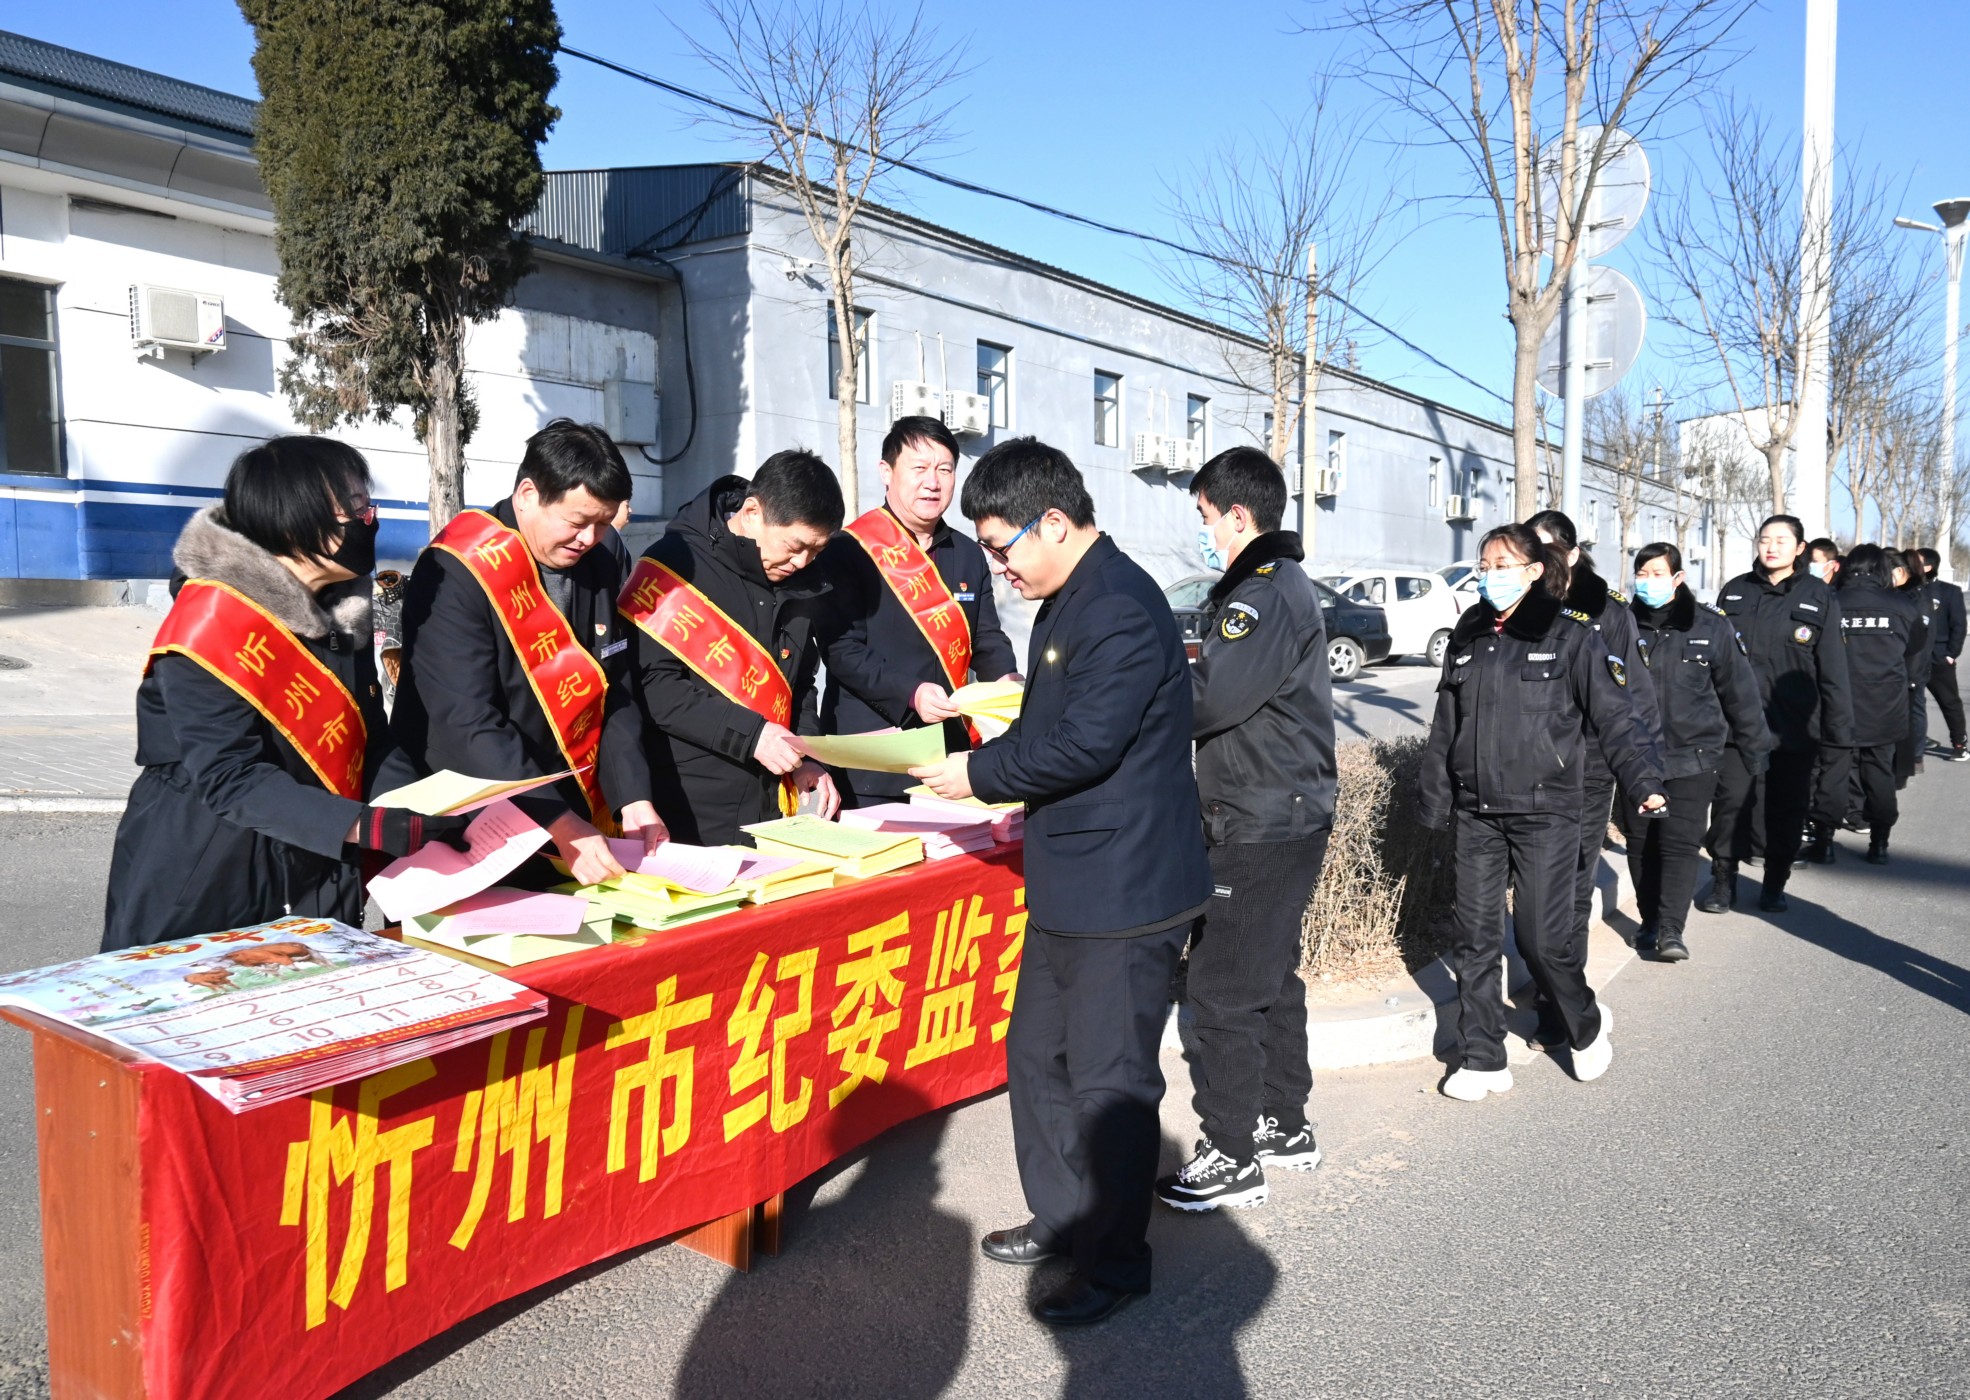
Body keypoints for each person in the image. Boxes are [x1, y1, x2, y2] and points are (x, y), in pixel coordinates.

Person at [908, 436, 1210, 1327]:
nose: (998, 568)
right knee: (1037, 1055)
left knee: (1110, 1084)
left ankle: (1114, 1264)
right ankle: (1065, 1216)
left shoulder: (1115, 606)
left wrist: (978, 774)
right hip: (1072, 880)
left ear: (1052, 522)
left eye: (1002, 547)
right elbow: (1054, 729)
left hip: (1124, 889)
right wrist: (1005, 774)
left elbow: (1086, 743)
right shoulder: (1069, 598)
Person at [104, 437, 456, 950]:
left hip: (317, 858)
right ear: (293, 518)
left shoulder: (341, 613)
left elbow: (369, 740)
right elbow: (230, 777)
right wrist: (365, 826)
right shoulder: (211, 623)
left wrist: (419, 805)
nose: (370, 519)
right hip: (207, 868)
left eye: (367, 503)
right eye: (355, 506)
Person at [1416, 524, 1666, 1102]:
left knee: (1542, 939)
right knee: (1475, 938)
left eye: (1503, 565)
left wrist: (1644, 780)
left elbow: (1617, 716)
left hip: (1547, 811)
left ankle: (1585, 1024)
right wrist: (1434, 800)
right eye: (1484, 565)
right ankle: (1483, 1057)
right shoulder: (1469, 635)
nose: (1490, 575)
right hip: (1478, 813)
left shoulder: (1571, 635)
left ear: (1533, 571)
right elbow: (1446, 726)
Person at [1154, 447, 1334, 1213]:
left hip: (1258, 820)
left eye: (1205, 517)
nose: (1203, 532)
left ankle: (1231, 1154)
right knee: (1269, 977)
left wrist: (1135, 694)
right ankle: (1283, 1123)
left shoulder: (1259, 594)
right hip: (1282, 811)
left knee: (1222, 988)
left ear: (1237, 514)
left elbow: (1209, 699)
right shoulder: (1281, 584)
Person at [393, 419, 659, 886]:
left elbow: (613, 687)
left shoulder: (599, 564)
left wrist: (633, 797)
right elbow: (465, 721)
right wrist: (557, 820)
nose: (590, 538)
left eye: (603, 523)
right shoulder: (457, 569)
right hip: (478, 819)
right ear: (528, 495)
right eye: (578, 522)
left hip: (571, 811)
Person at [619, 450, 843, 844]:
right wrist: (752, 736)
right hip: (692, 806)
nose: (802, 561)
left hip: (773, 802)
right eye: (795, 546)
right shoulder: (675, 565)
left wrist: (806, 756)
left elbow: (801, 682)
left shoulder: (802, 579)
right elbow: (654, 686)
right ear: (752, 512)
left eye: (817, 550)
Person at [818, 416, 1020, 807]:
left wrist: (1005, 681)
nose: (933, 482)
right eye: (920, 468)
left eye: (945, 469)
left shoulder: (967, 553)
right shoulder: (848, 549)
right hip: (874, 759)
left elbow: (986, 636)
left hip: (951, 760)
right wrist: (910, 693)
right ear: (886, 472)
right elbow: (842, 651)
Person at [1524, 511, 1660, 1039]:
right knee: (1532, 891)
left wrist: (1644, 776)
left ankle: (1557, 1006)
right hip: (1527, 768)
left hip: (1589, 767)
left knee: (1572, 887)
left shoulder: (1609, 613)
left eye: (1547, 549)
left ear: (1573, 554)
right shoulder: (1515, 606)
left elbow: (1636, 701)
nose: (1537, 560)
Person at [1698, 515, 1853, 914]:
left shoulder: (1819, 596)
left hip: (1793, 727)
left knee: (1786, 809)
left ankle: (1774, 883)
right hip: (1736, 726)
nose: (1771, 547)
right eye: (1765, 539)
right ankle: (1723, 881)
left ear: (1800, 548)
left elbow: (1833, 670)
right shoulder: (1735, 590)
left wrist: (1838, 732)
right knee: (1730, 804)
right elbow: (1713, 658)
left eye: (1782, 541)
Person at [1624, 543, 1769, 962]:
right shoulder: (1622, 625)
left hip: (1694, 754)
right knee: (1640, 843)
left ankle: (1672, 929)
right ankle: (1650, 919)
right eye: (1641, 573)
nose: (1647, 582)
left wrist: (1755, 753)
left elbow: (1740, 693)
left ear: (1677, 578)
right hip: (1634, 756)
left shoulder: (1710, 625)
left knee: (1679, 843)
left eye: (1657, 574)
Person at [1832, 545, 1926, 864]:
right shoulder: (1902, 604)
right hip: (1885, 703)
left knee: (1833, 771)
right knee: (1880, 771)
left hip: (1838, 701)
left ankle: (1823, 840)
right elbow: (1914, 648)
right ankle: (1880, 842)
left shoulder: (1831, 601)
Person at [1913, 547, 1967, 761]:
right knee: (1912, 704)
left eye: (1915, 561)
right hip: (1913, 657)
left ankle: (1959, 744)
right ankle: (1916, 741)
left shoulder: (1949, 592)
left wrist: (1951, 653)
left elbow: (1959, 625)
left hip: (1939, 657)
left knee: (1949, 702)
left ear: (1928, 567)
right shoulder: (1905, 591)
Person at [1893, 549, 1935, 784]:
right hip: (1904, 667)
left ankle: (1914, 757)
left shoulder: (1917, 597)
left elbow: (1921, 640)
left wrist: (1912, 673)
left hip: (1913, 668)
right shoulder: (1902, 594)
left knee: (1914, 712)